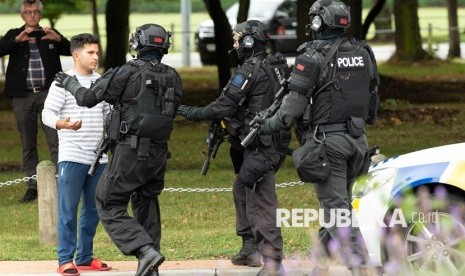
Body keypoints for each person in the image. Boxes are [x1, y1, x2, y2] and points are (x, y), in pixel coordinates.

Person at [256, 0, 380, 274]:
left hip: (328, 146)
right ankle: (318, 267)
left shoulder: (310, 56)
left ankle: (365, 269)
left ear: (318, 23)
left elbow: (290, 112)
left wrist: (266, 125)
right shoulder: (364, 52)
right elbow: (372, 96)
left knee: (337, 214)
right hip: (359, 143)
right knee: (338, 207)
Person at [53, 24, 182, 276]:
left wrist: (70, 83)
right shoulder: (173, 75)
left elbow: (88, 98)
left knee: (107, 201)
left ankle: (144, 251)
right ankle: (150, 266)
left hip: (130, 152)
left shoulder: (127, 71)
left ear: (138, 44)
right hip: (158, 155)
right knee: (146, 203)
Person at [176, 20, 291, 276]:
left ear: (249, 42)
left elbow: (222, 107)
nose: (235, 45)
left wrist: (187, 111)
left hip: (261, 145)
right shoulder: (277, 65)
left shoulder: (250, 69)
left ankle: (273, 263)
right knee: (242, 186)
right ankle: (250, 247)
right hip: (271, 142)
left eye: (238, 40)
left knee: (260, 200)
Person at [42, 33, 111, 276]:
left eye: (96, 52)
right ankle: (65, 260)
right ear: (76, 55)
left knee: (93, 211)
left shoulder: (101, 81)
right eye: (90, 52)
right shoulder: (63, 82)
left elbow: (107, 116)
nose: (95, 56)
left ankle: (84, 257)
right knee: (68, 211)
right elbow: (46, 114)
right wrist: (63, 123)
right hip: (72, 157)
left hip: (99, 159)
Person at [0, 0, 71, 203]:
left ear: (40, 14)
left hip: (50, 95)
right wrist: (15, 40)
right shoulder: (15, 34)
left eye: (36, 12)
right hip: (22, 97)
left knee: (56, 140)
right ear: (22, 15)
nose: (32, 15)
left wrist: (58, 39)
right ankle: (33, 186)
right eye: (28, 12)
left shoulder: (49, 33)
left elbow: (71, 50)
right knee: (28, 143)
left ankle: (61, 182)